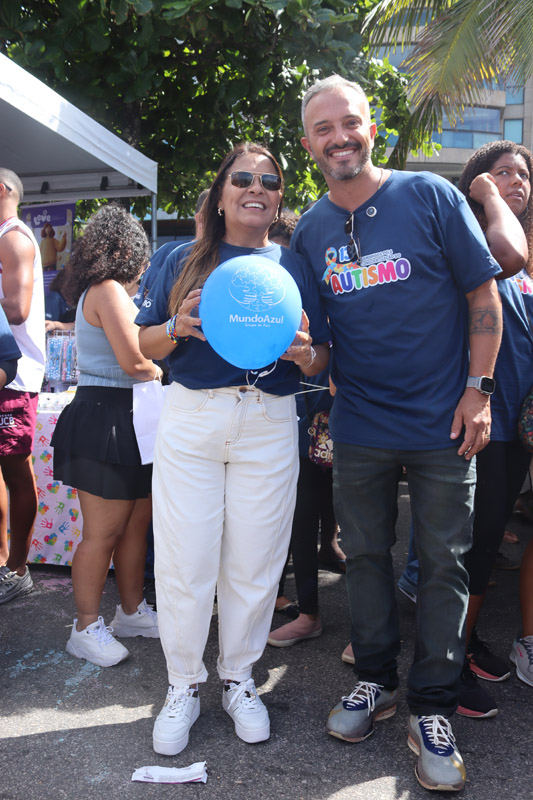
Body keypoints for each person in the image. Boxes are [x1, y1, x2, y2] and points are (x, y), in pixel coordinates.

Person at [292, 76, 503, 793]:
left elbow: (483, 296)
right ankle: (375, 682)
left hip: (444, 419)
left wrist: (478, 393)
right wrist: (302, 352)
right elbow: (320, 350)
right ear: (307, 143)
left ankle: (433, 704)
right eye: (323, 128)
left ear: (369, 128)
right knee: (365, 559)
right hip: (360, 426)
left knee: (444, 562)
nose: (338, 137)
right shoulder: (311, 230)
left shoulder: (431, 196)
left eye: (348, 122)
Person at [136, 142, 331, 756]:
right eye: (243, 178)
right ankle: (182, 684)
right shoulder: (181, 258)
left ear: (278, 197)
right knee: (184, 561)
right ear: (220, 193)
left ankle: (238, 677)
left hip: (269, 418)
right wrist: (177, 328)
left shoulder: (295, 265)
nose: (256, 187)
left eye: (269, 181)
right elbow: (145, 344)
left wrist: (305, 355)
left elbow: (322, 355)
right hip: (195, 419)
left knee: (256, 561)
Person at [398, 141, 533, 717]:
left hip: (514, 429)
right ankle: (442, 671)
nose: (517, 181)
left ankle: (465, 644)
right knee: (464, 553)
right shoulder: (472, 239)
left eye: (524, 174)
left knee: (480, 552)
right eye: (502, 173)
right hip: (481, 421)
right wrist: (481, 191)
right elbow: (507, 253)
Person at [50, 204, 162, 667]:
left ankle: (131, 612)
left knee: (136, 523)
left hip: (130, 416)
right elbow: (136, 363)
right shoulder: (108, 289)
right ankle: (84, 625)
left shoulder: (108, 290)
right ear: (124, 249)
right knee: (103, 533)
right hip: (106, 417)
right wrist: (170, 372)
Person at [0, 169, 45, 604]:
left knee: (15, 471)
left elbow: (17, 309)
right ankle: (3, 566)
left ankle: (17, 569)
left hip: (14, 376)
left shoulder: (13, 238)